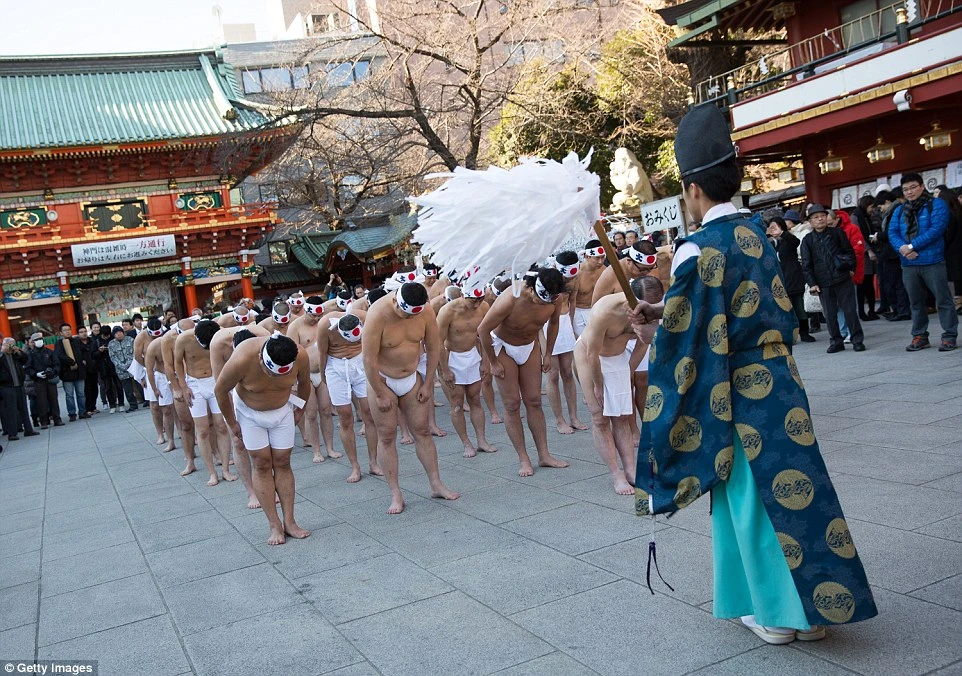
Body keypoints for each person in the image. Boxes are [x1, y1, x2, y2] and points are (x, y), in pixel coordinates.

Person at [632, 105, 876, 643]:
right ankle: (813, 611)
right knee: (801, 488)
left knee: (752, 496)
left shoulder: (695, 248)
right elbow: (740, 303)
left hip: (734, 389)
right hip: (781, 378)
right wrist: (665, 311)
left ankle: (776, 614)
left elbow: (688, 339)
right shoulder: (756, 232)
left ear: (693, 188)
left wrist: (657, 331)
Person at [362, 282, 460, 513]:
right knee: (387, 436)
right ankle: (395, 493)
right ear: (395, 301)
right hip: (382, 379)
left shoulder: (425, 311)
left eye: (412, 314)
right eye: (405, 313)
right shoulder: (377, 313)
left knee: (422, 431)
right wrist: (379, 391)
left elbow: (433, 348)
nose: (408, 318)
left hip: (412, 377)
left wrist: (428, 382)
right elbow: (368, 359)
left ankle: (436, 484)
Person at [215, 332, 312, 545]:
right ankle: (274, 524)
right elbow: (220, 390)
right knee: (261, 464)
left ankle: (290, 522)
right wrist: (232, 422)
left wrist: (300, 410)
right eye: (269, 372)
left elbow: (305, 383)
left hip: (282, 409)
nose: (272, 378)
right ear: (261, 357)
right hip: (249, 412)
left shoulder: (300, 356)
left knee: (283, 461)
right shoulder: (242, 357)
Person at [477, 268, 570, 477]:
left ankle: (544, 455)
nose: (542, 304)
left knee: (534, 401)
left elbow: (554, 323)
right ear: (531, 288)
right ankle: (523, 458)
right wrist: (492, 362)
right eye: (540, 299)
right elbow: (483, 329)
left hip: (529, 345)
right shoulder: (512, 296)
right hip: (503, 346)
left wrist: (548, 353)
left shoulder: (555, 299)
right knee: (512, 404)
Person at [575, 276, 662, 494]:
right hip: (590, 357)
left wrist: (628, 371)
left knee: (623, 416)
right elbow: (591, 353)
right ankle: (616, 474)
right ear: (632, 299)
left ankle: (631, 470)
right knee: (600, 417)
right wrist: (598, 385)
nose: (648, 312)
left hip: (619, 358)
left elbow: (644, 344)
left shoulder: (651, 310)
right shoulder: (604, 310)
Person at [888, 173, 958, 351]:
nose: (909, 192)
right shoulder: (899, 210)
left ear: (921, 186)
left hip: (932, 260)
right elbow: (892, 232)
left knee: (943, 300)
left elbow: (937, 229)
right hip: (908, 263)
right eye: (905, 189)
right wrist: (902, 249)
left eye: (913, 187)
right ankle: (920, 336)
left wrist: (911, 246)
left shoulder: (936, 204)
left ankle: (949, 335)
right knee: (915, 302)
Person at [210, 324, 270, 509]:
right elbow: (221, 388)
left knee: (268, 441)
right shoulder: (218, 345)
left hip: (260, 386)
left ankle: (269, 486)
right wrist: (231, 421)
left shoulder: (264, 336)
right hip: (234, 390)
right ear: (233, 348)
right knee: (238, 442)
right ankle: (251, 492)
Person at [437, 276, 497, 458]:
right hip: (452, 357)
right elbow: (438, 343)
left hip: (472, 355)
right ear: (463, 295)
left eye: (480, 299)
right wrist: (445, 369)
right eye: (473, 300)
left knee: (475, 399)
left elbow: (486, 335)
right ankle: (466, 443)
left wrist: (486, 361)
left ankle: (481, 440)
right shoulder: (448, 311)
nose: (476, 304)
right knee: (457, 404)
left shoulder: (483, 307)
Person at [318, 311, 379, 481]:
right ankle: (355, 466)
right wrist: (324, 376)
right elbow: (322, 352)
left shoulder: (365, 317)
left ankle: (373, 462)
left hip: (359, 362)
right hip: (335, 366)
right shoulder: (325, 325)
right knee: (345, 417)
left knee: (369, 413)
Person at [173, 319, 235, 486]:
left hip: (215, 380)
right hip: (195, 384)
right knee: (202, 430)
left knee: (221, 426)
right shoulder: (183, 339)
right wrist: (183, 387)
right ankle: (212, 473)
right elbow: (177, 362)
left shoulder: (220, 333)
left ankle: (225, 469)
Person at [801, 205, 865, 353]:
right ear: (810, 221)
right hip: (823, 282)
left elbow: (849, 252)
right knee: (829, 315)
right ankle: (836, 341)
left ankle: (857, 340)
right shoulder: (808, 240)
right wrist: (812, 283)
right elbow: (806, 264)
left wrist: (851, 268)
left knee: (850, 311)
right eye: (816, 217)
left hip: (842, 277)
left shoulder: (837, 233)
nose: (820, 219)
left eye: (822, 216)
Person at [287, 296, 338, 463]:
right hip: (305, 375)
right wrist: (293, 382)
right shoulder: (295, 327)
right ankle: (316, 450)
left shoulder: (324, 323)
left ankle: (330, 448)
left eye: (318, 316)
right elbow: (291, 355)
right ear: (306, 311)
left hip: (323, 372)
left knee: (326, 410)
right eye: (313, 316)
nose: (316, 319)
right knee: (310, 414)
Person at [544, 252, 587, 435]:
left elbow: (573, 301)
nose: (569, 279)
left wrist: (570, 322)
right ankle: (559, 420)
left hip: (565, 322)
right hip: (547, 323)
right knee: (553, 374)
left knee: (568, 372)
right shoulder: (547, 278)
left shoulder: (574, 278)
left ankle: (574, 417)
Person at [766, 216, 815, 342]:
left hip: (793, 278)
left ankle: (804, 332)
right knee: (785, 310)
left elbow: (795, 242)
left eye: (776, 226)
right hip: (778, 280)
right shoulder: (768, 243)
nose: (773, 229)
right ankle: (790, 335)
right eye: (771, 227)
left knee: (799, 307)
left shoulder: (788, 239)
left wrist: (782, 233)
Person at [163, 319, 198, 476]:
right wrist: (176, 388)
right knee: (186, 424)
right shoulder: (168, 339)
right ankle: (190, 460)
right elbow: (168, 365)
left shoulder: (197, 334)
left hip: (197, 378)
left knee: (210, 423)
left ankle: (216, 453)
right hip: (179, 379)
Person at [591, 240, 658, 304]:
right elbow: (595, 306)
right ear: (629, 261)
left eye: (651, 268)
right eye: (642, 269)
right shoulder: (611, 274)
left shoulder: (650, 267)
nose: (647, 272)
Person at [144, 329, 176, 453]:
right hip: (161, 377)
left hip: (177, 374)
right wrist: (154, 388)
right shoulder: (153, 347)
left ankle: (188, 435)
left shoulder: (178, 341)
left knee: (181, 409)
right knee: (166, 409)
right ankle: (169, 439)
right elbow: (149, 369)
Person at [1, 337, 38, 440]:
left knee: (24, 409)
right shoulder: (2, 355)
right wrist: (2, 351)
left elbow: (26, 360)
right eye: (10, 345)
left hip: (19, 385)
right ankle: (12, 433)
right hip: (7, 386)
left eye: (13, 344)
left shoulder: (15, 355)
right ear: (5, 344)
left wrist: (19, 351)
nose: (11, 347)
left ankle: (28, 430)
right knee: (11, 410)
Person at [933, 185, 962, 314]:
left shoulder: (948, 214)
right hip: (957, 249)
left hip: (951, 250)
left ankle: (957, 303)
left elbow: (948, 235)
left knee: (954, 278)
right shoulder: (958, 211)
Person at [569, 239, 607, 337]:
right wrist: (570, 322)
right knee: (582, 341)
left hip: (598, 309)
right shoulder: (577, 273)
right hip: (579, 311)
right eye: (597, 258)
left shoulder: (605, 270)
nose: (600, 261)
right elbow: (571, 300)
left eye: (603, 257)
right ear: (587, 257)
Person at [26, 333, 63, 428]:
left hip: (50, 379)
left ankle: (57, 419)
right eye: (36, 340)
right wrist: (36, 374)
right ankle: (44, 421)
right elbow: (27, 368)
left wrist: (53, 371)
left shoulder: (49, 352)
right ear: (33, 342)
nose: (39, 341)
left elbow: (57, 364)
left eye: (40, 339)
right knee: (41, 401)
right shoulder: (30, 354)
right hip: (38, 381)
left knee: (53, 399)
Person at [53, 323, 90, 421]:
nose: (67, 332)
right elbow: (60, 356)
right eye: (65, 330)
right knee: (69, 395)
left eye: (69, 329)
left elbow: (84, 351)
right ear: (61, 333)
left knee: (81, 393)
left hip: (79, 372)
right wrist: (72, 362)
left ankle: (82, 412)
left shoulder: (76, 341)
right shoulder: (59, 343)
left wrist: (83, 360)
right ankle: (72, 413)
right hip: (67, 373)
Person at [108, 326, 139, 411]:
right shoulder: (111, 344)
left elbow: (135, 352)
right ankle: (133, 405)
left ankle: (146, 401)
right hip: (121, 370)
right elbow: (113, 357)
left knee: (139, 385)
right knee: (127, 389)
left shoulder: (130, 340)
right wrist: (121, 366)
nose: (119, 334)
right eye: (116, 333)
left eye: (120, 332)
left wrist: (129, 364)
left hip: (133, 367)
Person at [76, 326, 100, 415]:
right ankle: (87, 408)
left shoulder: (92, 341)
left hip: (93, 367)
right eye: (81, 332)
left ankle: (93, 407)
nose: (84, 333)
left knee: (94, 389)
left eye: (85, 331)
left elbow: (95, 353)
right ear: (78, 334)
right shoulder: (76, 343)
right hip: (83, 370)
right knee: (86, 390)